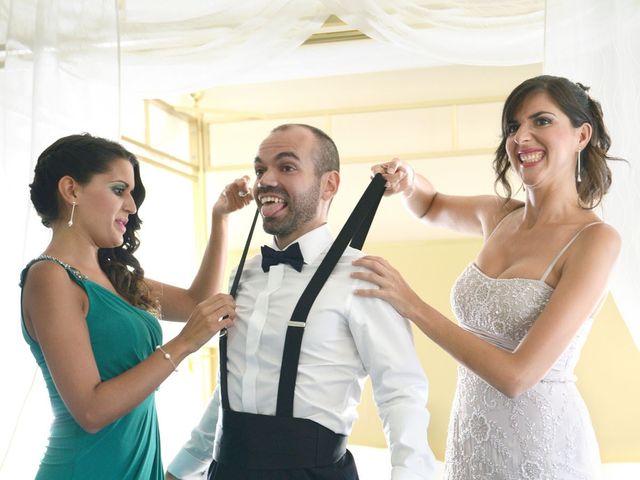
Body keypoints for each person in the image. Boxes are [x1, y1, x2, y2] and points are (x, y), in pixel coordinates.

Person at [352, 75, 622, 479]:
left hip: (542, 451)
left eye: (541, 121)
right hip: (471, 441)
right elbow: (429, 206)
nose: (522, 137)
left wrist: (412, 305)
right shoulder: (500, 217)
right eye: (513, 127)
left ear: (582, 135)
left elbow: (517, 377)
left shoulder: (595, 241)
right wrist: (408, 180)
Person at [165, 123, 436, 480]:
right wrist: (176, 471)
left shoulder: (363, 276)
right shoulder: (242, 276)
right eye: (261, 169)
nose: (266, 180)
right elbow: (228, 394)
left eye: (287, 167)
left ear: (330, 185)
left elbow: (400, 393)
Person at [20, 133, 251, 479]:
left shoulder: (114, 276)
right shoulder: (49, 278)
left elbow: (194, 303)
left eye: (132, 193)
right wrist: (184, 343)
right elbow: (91, 411)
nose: (132, 206)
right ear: (71, 190)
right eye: (118, 190)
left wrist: (220, 218)